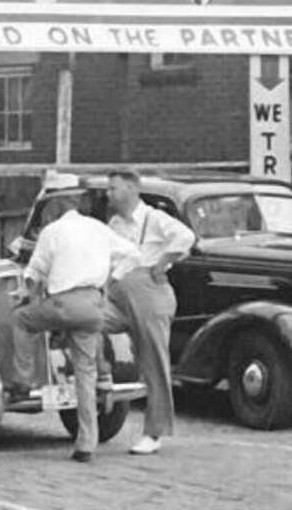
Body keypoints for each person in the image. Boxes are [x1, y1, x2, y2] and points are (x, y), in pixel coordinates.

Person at [11, 193, 139, 463]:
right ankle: (86, 444)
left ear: (55, 210)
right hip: (93, 305)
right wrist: (112, 278)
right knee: (85, 373)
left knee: (22, 320)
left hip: (62, 304)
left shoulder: (52, 232)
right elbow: (133, 254)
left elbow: (34, 272)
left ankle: (23, 381)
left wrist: (24, 293)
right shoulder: (98, 228)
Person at [105, 171, 195, 456]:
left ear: (132, 188)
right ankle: (101, 379)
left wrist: (162, 263)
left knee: (153, 361)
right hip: (117, 292)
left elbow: (186, 236)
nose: (108, 194)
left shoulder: (153, 218)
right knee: (86, 321)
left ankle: (154, 432)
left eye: (113, 188)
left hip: (149, 292)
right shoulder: (114, 224)